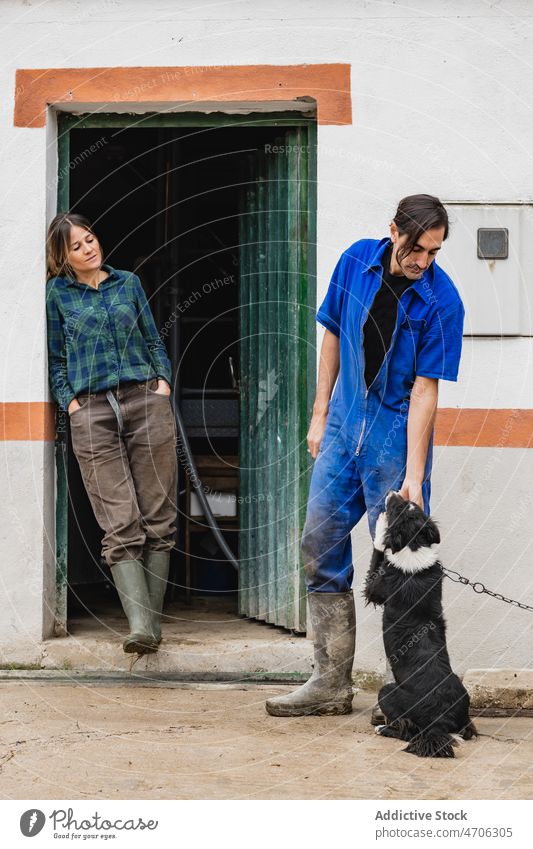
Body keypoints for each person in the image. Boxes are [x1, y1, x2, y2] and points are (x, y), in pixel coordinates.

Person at [265, 194, 465, 718]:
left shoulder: (443, 301)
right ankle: (330, 683)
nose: (423, 261)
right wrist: (319, 415)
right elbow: (331, 336)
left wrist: (415, 479)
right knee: (318, 542)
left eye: (435, 252)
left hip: (393, 441)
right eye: (416, 248)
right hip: (342, 428)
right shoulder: (356, 259)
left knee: (400, 567)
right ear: (393, 231)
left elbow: (426, 391)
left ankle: (410, 697)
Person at [46, 213, 178, 655]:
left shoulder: (128, 283)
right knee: (119, 521)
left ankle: (150, 628)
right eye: (77, 246)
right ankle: (140, 627)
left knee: (158, 514)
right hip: (92, 410)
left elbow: (153, 337)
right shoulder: (57, 296)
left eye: (90, 238)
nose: (88, 248)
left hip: (146, 400)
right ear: (63, 257)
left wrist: (162, 382)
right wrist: (71, 403)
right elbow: (54, 356)